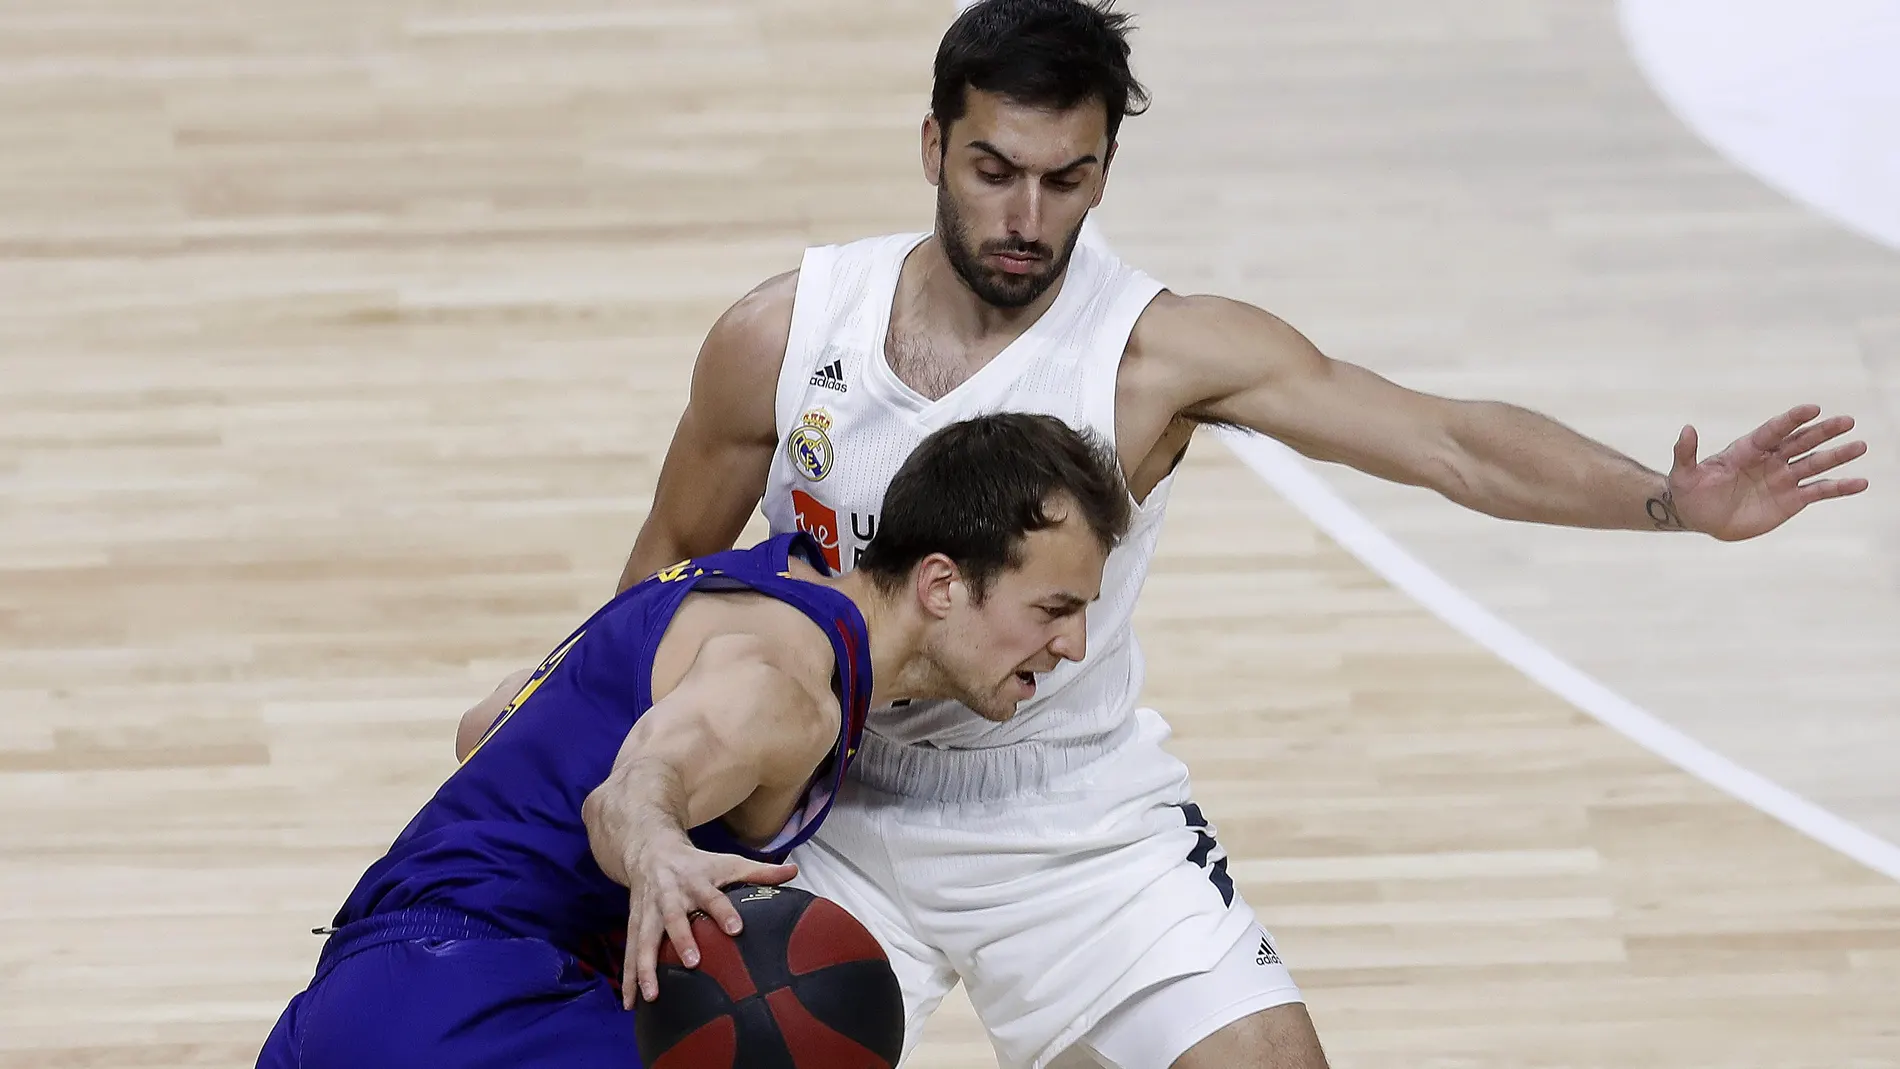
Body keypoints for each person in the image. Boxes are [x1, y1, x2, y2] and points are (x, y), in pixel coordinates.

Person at [601, 2, 1873, 1068]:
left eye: (1067, 179)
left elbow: (1446, 442)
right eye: (994, 171)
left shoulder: (1157, 352)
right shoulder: (785, 333)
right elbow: (658, 571)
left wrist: (1666, 497)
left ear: (1105, 170)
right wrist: (600, 794)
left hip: (1068, 810)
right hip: (818, 796)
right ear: (933, 143)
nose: (1026, 218)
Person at [254, 412, 1131, 1068]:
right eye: (1054, 608)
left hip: (359, 995)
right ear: (942, 583)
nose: (1074, 644)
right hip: (481, 1004)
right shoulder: (788, 686)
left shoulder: (746, 584)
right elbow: (629, 791)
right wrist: (659, 847)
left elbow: (481, 728)